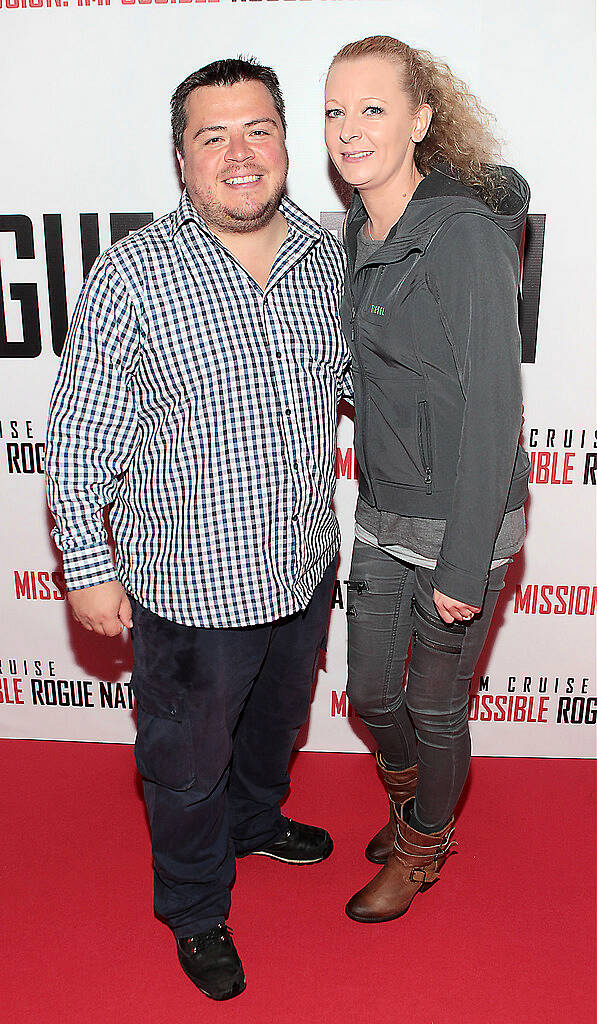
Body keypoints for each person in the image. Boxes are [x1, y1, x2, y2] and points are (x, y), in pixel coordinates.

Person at [46, 57, 350, 999]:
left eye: (256, 129)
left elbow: (354, 390)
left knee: (272, 734)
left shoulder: (328, 256)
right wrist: (90, 566)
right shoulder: (134, 274)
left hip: (301, 566)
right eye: (211, 136)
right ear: (181, 158)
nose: (238, 153)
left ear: (287, 142)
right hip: (188, 593)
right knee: (183, 771)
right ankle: (193, 907)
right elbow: (77, 434)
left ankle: (257, 824)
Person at [324, 35, 530, 923]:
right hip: (381, 509)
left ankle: (422, 845)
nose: (349, 129)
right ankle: (413, 800)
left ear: (420, 119)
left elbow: (493, 410)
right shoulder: (356, 229)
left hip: (461, 523)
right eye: (334, 111)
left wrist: (460, 563)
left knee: (436, 709)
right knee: (371, 693)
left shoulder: (462, 240)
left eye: (372, 108)